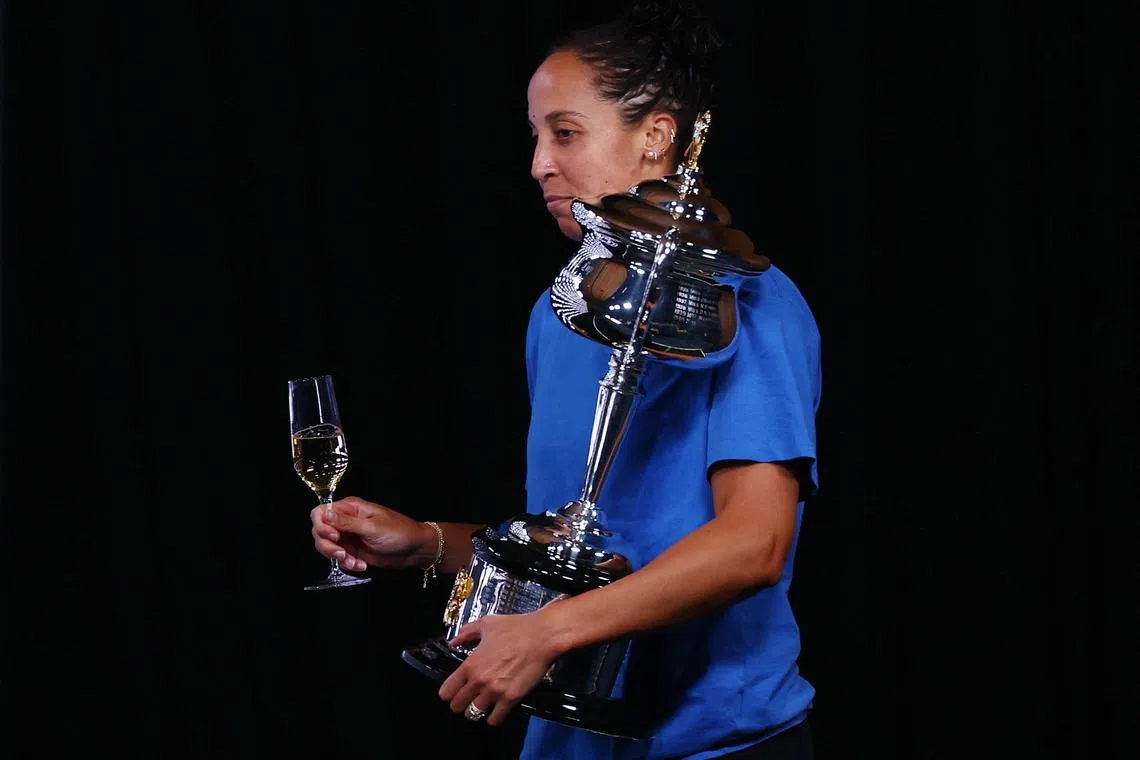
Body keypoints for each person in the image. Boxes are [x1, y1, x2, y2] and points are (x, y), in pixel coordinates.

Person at [310, 1, 822, 757]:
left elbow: (755, 543)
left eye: (566, 133)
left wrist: (548, 633)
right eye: (536, 136)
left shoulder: (748, 304)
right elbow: (574, 549)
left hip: (714, 744)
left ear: (656, 136)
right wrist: (424, 545)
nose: (539, 163)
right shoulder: (557, 314)